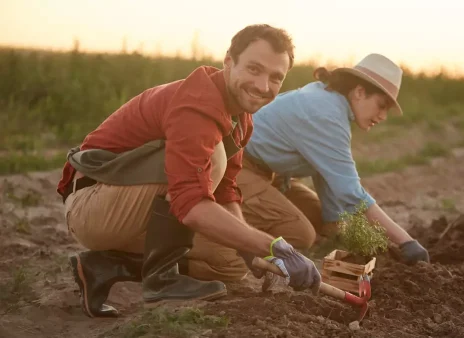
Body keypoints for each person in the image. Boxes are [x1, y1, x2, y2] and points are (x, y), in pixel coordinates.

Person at [57, 24, 321, 319]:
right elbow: (191, 204)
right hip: (92, 204)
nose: (263, 86)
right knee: (214, 156)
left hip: (125, 208)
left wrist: (249, 247)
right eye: (254, 69)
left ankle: (103, 266)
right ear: (228, 62)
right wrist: (273, 246)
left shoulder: (241, 117)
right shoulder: (198, 104)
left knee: (230, 262)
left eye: (276, 78)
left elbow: (226, 189)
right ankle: (161, 280)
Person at [236, 53, 430, 265]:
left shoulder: (330, 101)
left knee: (318, 220)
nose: (383, 116)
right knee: (300, 234)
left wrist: (332, 228)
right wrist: (406, 242)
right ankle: (226, 237)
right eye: (381, 105)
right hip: (236, 167)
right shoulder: (326, 114)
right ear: (359, 92)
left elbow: (325, 172)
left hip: (270, 174)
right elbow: (351, 193)